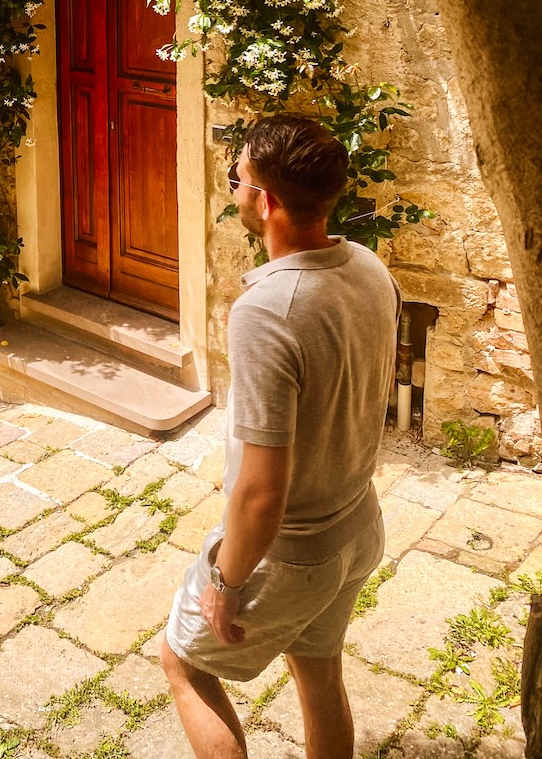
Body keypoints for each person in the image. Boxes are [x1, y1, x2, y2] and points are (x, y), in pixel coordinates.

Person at [161, 113, 400, 759]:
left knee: (184, 663)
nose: (233, 184)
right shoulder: (372, 269)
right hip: (357, 530)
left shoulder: (267, 311)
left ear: (263, 201)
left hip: (291, 554)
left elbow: (261, 494)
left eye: (237, 175)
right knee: (319, 675)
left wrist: (228, 584)